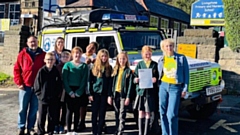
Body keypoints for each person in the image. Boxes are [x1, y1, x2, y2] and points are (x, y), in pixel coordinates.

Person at [14, 36, 46, 135]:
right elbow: (17, 69)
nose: (33, 44)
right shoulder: (22, 54)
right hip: (25, 86)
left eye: (35, 42)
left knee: (34, 109)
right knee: (22, 108)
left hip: (37, 87)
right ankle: (21, 127)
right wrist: (19, 83)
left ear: (38, 42)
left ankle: (30, 127)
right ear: (27, 43)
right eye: (31, 42)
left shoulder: (43, 54)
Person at [158, 39, 189, 135]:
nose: (169, 48)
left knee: (171, 115)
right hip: (163, 86)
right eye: (167, 46)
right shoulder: (161, 59)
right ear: (163, 48)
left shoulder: (181, 58)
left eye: (171, 46)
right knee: (162, 112)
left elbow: (186, 75)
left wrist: (185, 89)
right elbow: (159, 73)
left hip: (175, 87)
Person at [34, 52, 62, 135]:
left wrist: (57, 95)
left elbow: (59, 85)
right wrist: (40, 95)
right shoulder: (41, 71)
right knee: (41, 116)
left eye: (52, 59)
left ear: (54, 61)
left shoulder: (56, 71)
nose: (50, 61)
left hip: (53, 98)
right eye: (48, 59)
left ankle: (50, 131)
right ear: (45, 60)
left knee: (51, 116)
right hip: (43, 99)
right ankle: (40, 132)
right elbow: (37, 85)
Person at [133, 46, 159, 135]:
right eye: (146, 54)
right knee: (141, 112)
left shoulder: (155, 64)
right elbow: (135, 76)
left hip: (150, 92)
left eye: (149, 53)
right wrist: (135, 80)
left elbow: (159, 76)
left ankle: (146, 132)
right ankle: (140, 132)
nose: (148, 55)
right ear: (143, 54)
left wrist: (155, 79)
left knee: (148, 112)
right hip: (141, 92)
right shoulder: (140, 64)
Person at [62, 46, 88, 134]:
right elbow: (64, 79)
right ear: (72, 54)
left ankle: (75, 129)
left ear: (81, 54)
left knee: (77, 110)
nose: (77, 55)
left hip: (79, 91)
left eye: (79, 53)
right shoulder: (67, 65)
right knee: (69, 110)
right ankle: (68, 130)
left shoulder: (84, 66)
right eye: (75, 53)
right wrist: (69, 91)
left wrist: (79, 92)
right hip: (69, 90)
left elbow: (84, 79)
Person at [108, 52, 133, 135]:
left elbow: (130, 85)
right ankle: (116, 128)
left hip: (123, 95)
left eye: (123, 59)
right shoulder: (115, 70)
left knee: (122, 113)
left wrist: (128, 97)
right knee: (116, 112)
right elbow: (111, 84)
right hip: (115, 94)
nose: (122, 60)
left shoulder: (128, 71)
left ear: (126, 60)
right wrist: (110, 95)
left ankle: (120, 130)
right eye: (120, 59)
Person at [88, 49, 112, 135]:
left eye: (105, 56)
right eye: (102, 56)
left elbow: (110, 83)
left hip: (104, 94)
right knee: (94, 113)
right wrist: (89, 93)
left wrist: (109, 95)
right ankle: (94, 130)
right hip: (95, 93)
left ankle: (99, 131)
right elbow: (89, 81)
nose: (104, 58)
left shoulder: (109, 68)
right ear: (99, 57)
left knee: (102, 113)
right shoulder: (93, 67)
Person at [78, 42, 98, 131]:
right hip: (82, 82)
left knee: (94, 104)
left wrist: (94, 63)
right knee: (82, 104)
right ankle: (81, 121)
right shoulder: (81, 56)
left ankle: (98, 122)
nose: (90, 49)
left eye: (93, 48)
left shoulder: (96, 57)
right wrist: (85, 64)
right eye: (89, 46)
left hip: (92, 83)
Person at [54, 51, 71, 134]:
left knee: (65, 109)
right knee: (56, 109)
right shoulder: (57, 67)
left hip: (67, 91)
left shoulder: (71, 67)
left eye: (67, 56)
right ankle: (55, 125)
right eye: (63, 56)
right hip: (58, 91)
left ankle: (62, 125)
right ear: (60, 58)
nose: (65, 57)